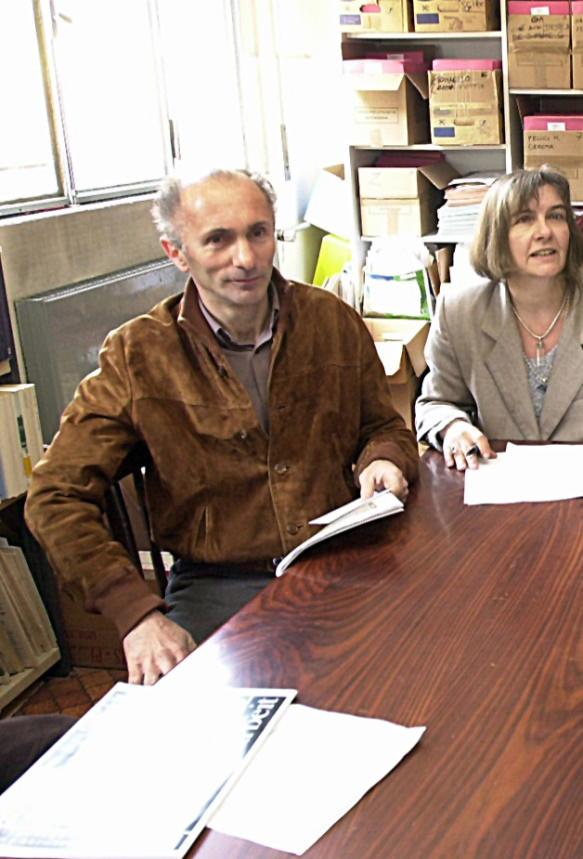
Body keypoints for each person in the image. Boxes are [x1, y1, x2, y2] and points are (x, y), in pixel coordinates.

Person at [26, 169, 419, 686]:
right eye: (218, 239)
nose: (246, 258)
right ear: (177, 252)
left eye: (258, 233)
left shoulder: (330, 320)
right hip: (217, 583)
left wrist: (383, 459)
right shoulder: (139, 355)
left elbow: (384, 425)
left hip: (339, 559)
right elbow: (54, 494)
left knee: (422, 675)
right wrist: (135, 614)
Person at [415, 168, 583, 467]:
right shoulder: (458, 313)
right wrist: (453, 428)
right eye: (524, 219)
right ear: (496, 236)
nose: (545, 232)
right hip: (498, 489)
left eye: (555, 216)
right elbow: (435, 403)